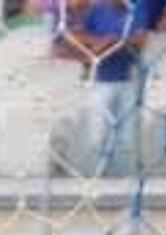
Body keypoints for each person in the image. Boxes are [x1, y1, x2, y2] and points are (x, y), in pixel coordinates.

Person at [57, 0, 145, 177]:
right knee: (99, 132)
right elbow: (74, 36)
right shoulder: (96, 11)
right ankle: (98, 174)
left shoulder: (135, 12)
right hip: (101, 81)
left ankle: (125, 176)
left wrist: (115, 42)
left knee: (127, 134)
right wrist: (102, 42)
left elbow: (141, 39)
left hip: (128, 81)